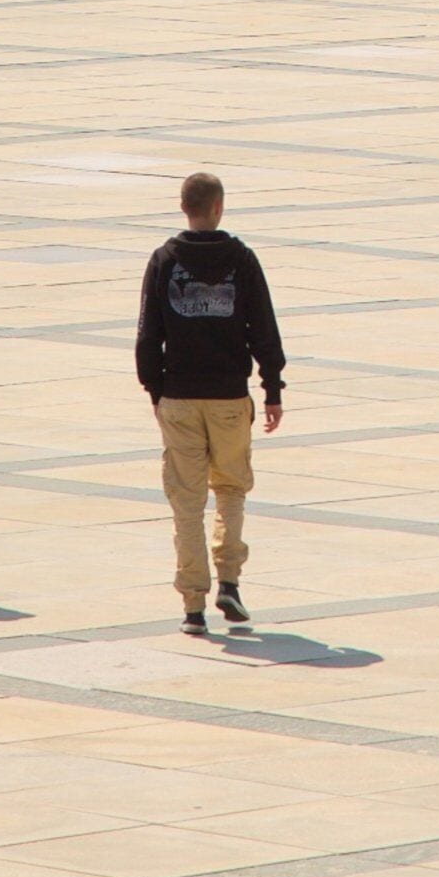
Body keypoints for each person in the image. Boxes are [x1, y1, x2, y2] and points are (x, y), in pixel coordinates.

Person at [135, 172, 286, 637]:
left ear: (184, 207)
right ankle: (231, 581)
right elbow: (263, 327)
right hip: (227, 398)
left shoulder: (164, 260)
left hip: (178, 397)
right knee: (231, 489)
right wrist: (272, 388)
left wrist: (156, 391)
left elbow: (147, 336)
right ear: (219, 207)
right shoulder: (241, 260)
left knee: (186, 500)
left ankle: (193, 604)